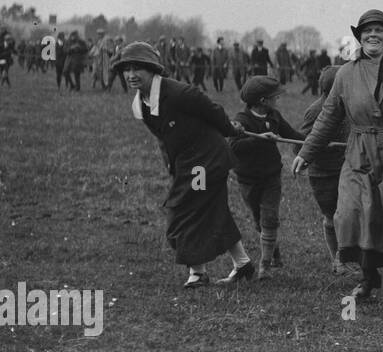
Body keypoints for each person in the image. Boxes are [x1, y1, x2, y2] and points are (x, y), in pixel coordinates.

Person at [113, 41, 254, 287]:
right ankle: (243, 265)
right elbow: (163, 139)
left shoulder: (179, 93)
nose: (131, 75)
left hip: (207, 161)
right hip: (188, 163)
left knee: (184, 209)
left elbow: (213, 111)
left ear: (152, 69)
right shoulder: (141, 104)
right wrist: (172, 167)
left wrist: (231, 129)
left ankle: (197, 273)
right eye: (126, 69)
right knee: (212, 209)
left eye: (138, 69)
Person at [293, 9, 383, 302]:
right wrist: (307, 152)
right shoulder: (346, 73)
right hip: (358, 149)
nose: (373, 35)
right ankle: (368, 277)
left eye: (379, 30)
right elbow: (328, 116)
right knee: (351, 213)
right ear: (359, 36)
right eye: (367, 31)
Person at [229, 77, 304, 279]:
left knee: (269, 217)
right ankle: (274, 252)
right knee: (259, 221)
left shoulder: (274, 116)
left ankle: (265, 266)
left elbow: (292, 134)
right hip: (248, 180)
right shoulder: (242, 120)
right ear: (263, 100)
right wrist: (260, 139)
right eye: (275, 97)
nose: (277, 100)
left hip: (271, 177)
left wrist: (313, 141)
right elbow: (233, 147)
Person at [299, 64, 349, 275]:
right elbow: (300, 145)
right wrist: (321, 147)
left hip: (347, 169)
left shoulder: (349, 106)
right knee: (332, 216)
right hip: (323, 174)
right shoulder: (315, 111)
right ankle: (336, 259)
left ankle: (348, 256)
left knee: (349, 214)